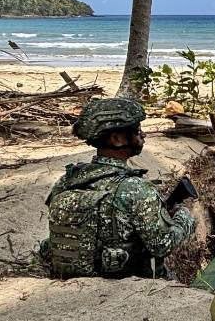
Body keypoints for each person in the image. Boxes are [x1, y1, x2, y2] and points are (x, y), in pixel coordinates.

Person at [42, 98, 196, 279]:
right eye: (138, 131)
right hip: (126, 286)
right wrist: (183, 218)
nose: (143, 136)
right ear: (116, 139)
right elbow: (162, 245)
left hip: (73, 280)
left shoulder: (67, 180)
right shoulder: (135, 188)